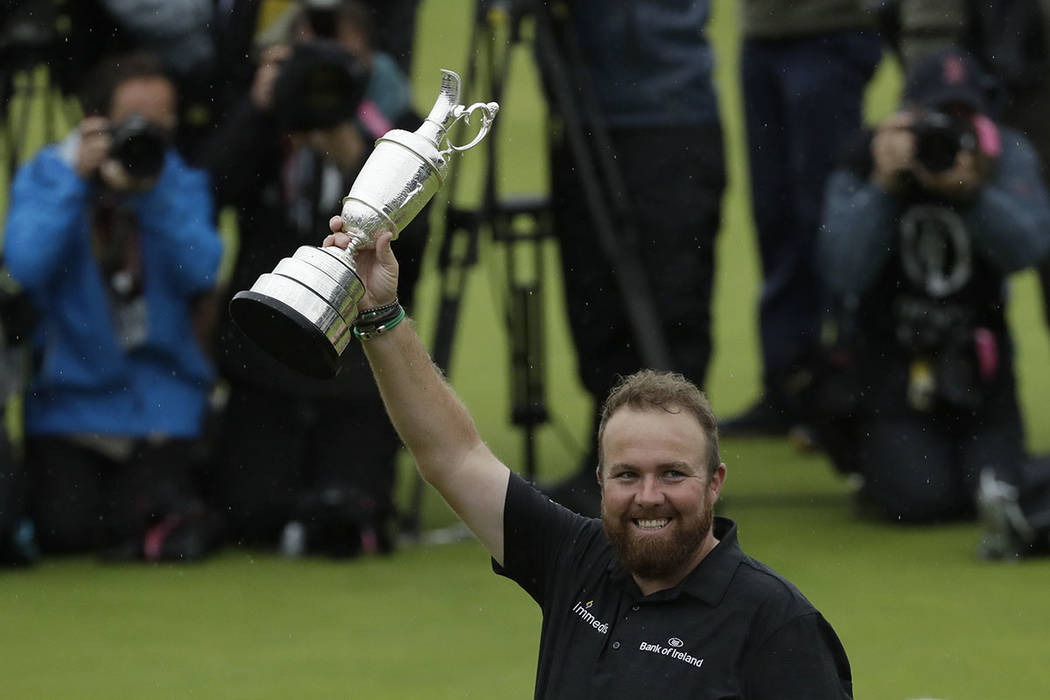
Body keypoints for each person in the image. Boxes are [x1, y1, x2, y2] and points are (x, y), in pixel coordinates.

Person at [318, 220, 854, 697]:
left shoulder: (777, 625)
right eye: (627, 475)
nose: (648, 497)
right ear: (600, 480)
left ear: (715, 482)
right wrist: (381, 314)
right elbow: (452, 457)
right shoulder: (574, 558)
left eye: (672, 473)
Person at [204, 36, 428, 556]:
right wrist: (260, 108)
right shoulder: (261, 131)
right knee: (250, 516)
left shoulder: (391, 138)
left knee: (346, 514)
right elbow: (209, 192)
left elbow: (413, 250)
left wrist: (356, 160)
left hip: (355, 366)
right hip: (262, 356)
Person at [815, 48, 1050, 539]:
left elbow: (1030, 246)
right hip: (894, 373)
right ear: (908, 116)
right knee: (919, 500)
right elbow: (843, 271)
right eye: (936, 116)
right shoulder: (866, 156)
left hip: (982, 375)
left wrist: (973, 194)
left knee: (993, 488)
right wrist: (884, 186)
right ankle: (866, 448)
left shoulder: (1003, 156)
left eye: (964, 116)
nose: (948, 132)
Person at [2, 52, 224, 561]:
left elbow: (203, 269)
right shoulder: (51, 176)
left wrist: (150, 197)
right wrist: (72, 181)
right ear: (95, 121)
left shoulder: (177, 183)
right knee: (68, 532)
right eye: (133, 121)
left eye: (160, 120)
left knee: (138, 519)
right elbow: (25, 263)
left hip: (162, 403)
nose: (147, 132)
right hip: (70, 405)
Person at [542, 0, 727, 517]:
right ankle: (613, 457)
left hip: (663, 111)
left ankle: (676, 461)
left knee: (670, 300)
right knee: (594, 299)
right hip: (587, 105)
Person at [720, 0, 884, 439]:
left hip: (831, 28)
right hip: (763, 33)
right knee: (775, 216)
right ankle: (791, 386)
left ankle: (846, 385)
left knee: (830, 220)